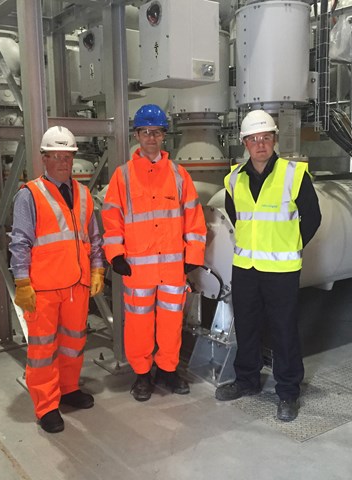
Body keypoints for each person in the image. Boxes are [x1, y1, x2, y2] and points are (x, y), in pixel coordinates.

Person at [214, 110, 321, 422]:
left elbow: (312, 219)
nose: (259, 144)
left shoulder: (294, 174)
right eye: (253, 139)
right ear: (244, 143)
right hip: (246, 267)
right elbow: (238, 217)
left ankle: (287, 392)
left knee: (283, 330)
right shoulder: (234, 178)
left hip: (282, 269)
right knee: (246, 325)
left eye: (265, 138)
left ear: (274, 139)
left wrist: (289, 244)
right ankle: (247, 380)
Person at [102, 104, 207, 402]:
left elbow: (194, 219)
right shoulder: (122, 177)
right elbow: (111, 220)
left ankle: (169, 371)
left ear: (164, 136)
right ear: (137, 135)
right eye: (146, 132)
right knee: (138, 324)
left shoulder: (179, 175)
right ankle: (142, 375)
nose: (151, 137)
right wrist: (116, 255)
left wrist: (193, 256)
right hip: (137, 268)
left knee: (172, 322)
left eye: (157, 132)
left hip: (173, 266)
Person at [9, 126, 105, 433]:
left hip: (77, 285)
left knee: (73, 343)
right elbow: (19, 242)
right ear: (44, 159)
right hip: (43, 289)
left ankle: (68, 388)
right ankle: (46, 404)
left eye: (68, 157)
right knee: (43, 349)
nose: (64, 163)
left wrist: (98, 268)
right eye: (57, 157)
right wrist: (22, 282)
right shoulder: (30, 195)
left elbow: (94, 237)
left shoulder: (84, 193)